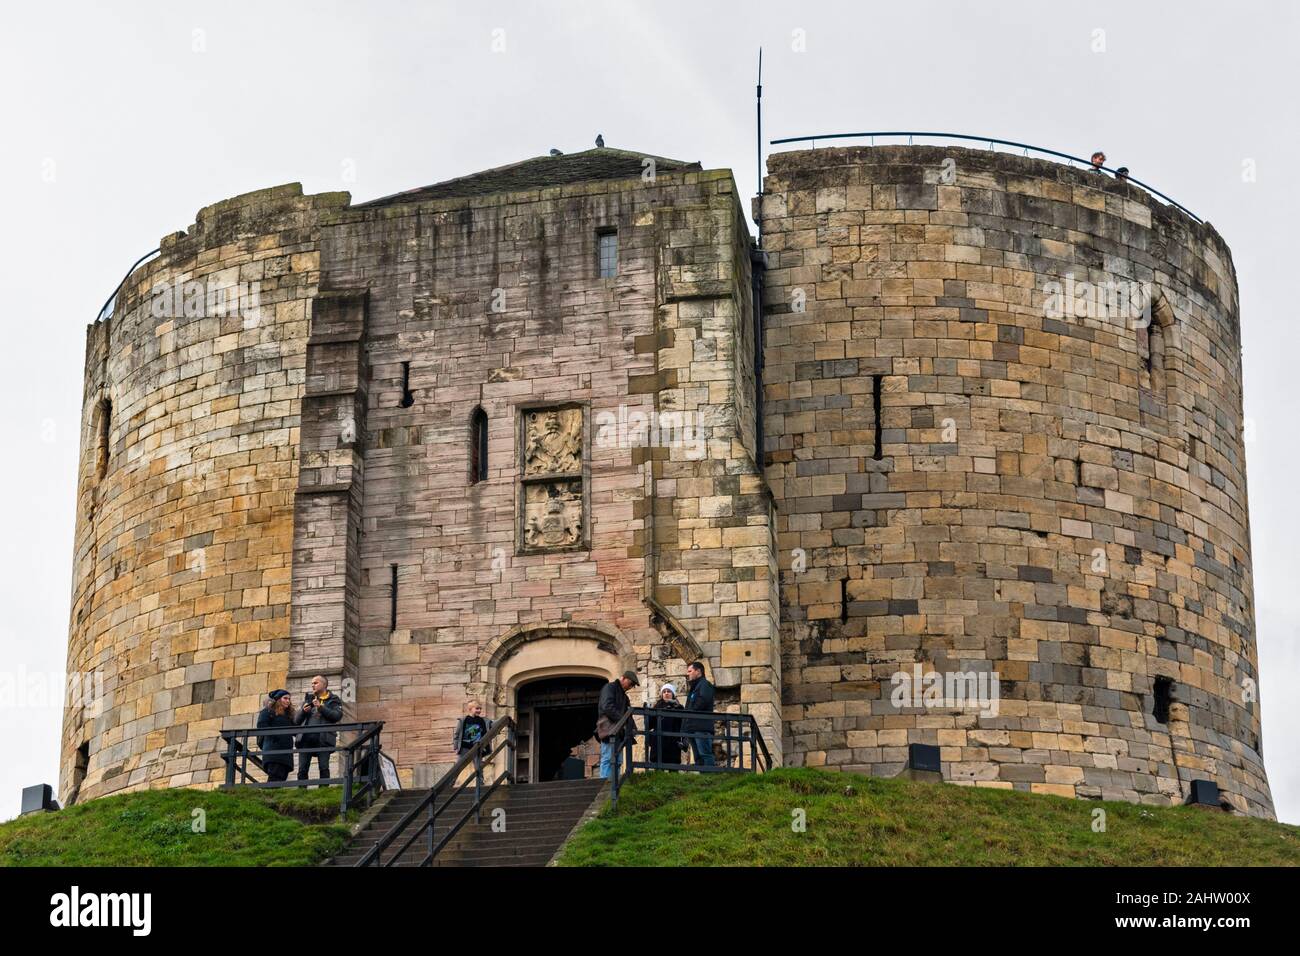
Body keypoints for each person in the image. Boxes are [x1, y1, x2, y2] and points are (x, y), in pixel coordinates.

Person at [294, 674, 343, 783]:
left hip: (323, 739)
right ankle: (301, 791)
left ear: (324, 684)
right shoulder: (308, 699)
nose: (313, 685)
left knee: (324, 768)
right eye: (312, 683)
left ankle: (324, 791)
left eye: (315, 683)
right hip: (305, 739)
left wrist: (321, 707)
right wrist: (303, 711)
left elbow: (337, 716)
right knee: (302, 769)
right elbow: (296, 721)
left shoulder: (333, 700)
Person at [595, 670, 639, 778]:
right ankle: (605, 784)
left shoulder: (624, 697)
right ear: (623, 678)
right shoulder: (609, 688)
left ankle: (615, 782)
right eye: (630, 683)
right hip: (608, 729)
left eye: (633, 685)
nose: (631, 686)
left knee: (618, 760)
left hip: (618, 731)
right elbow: (607, 706)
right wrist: (623, 720)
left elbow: (628, 713)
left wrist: (633, 727)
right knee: (608, 758)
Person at [256, 689, 296, 782]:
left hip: (286, 753)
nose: (288, 701)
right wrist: (276, 737)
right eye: (285, 698)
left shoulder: (288, 715)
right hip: (273, 751)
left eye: (289, 699)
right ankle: (267, 796)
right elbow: (262, 726)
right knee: (274, 777)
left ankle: (271, 796)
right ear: (278, 699)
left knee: (281, 778)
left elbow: (295, 729)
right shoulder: (268, 711)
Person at [683, 661, 716, 767]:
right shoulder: (695, 687)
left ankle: (710, 778)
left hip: (702, 727)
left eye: (690, 671)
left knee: (705, 754)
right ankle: (703, 781)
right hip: (693, 727)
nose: (688, 674)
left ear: (698, 671)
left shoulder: (705, 684)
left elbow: (703, 701)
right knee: (698, 756)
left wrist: (691, 711)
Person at [647, 683, 685, 767]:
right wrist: (648, 713)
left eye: (669, 691)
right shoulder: (657, 706)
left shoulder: (679, 707)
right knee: (658, 766)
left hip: (673, 740)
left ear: (673, 694)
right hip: (659, 740)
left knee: (673, 766)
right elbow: (649, 725)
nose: (666, 693)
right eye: (664, 692)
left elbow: (683, 724)